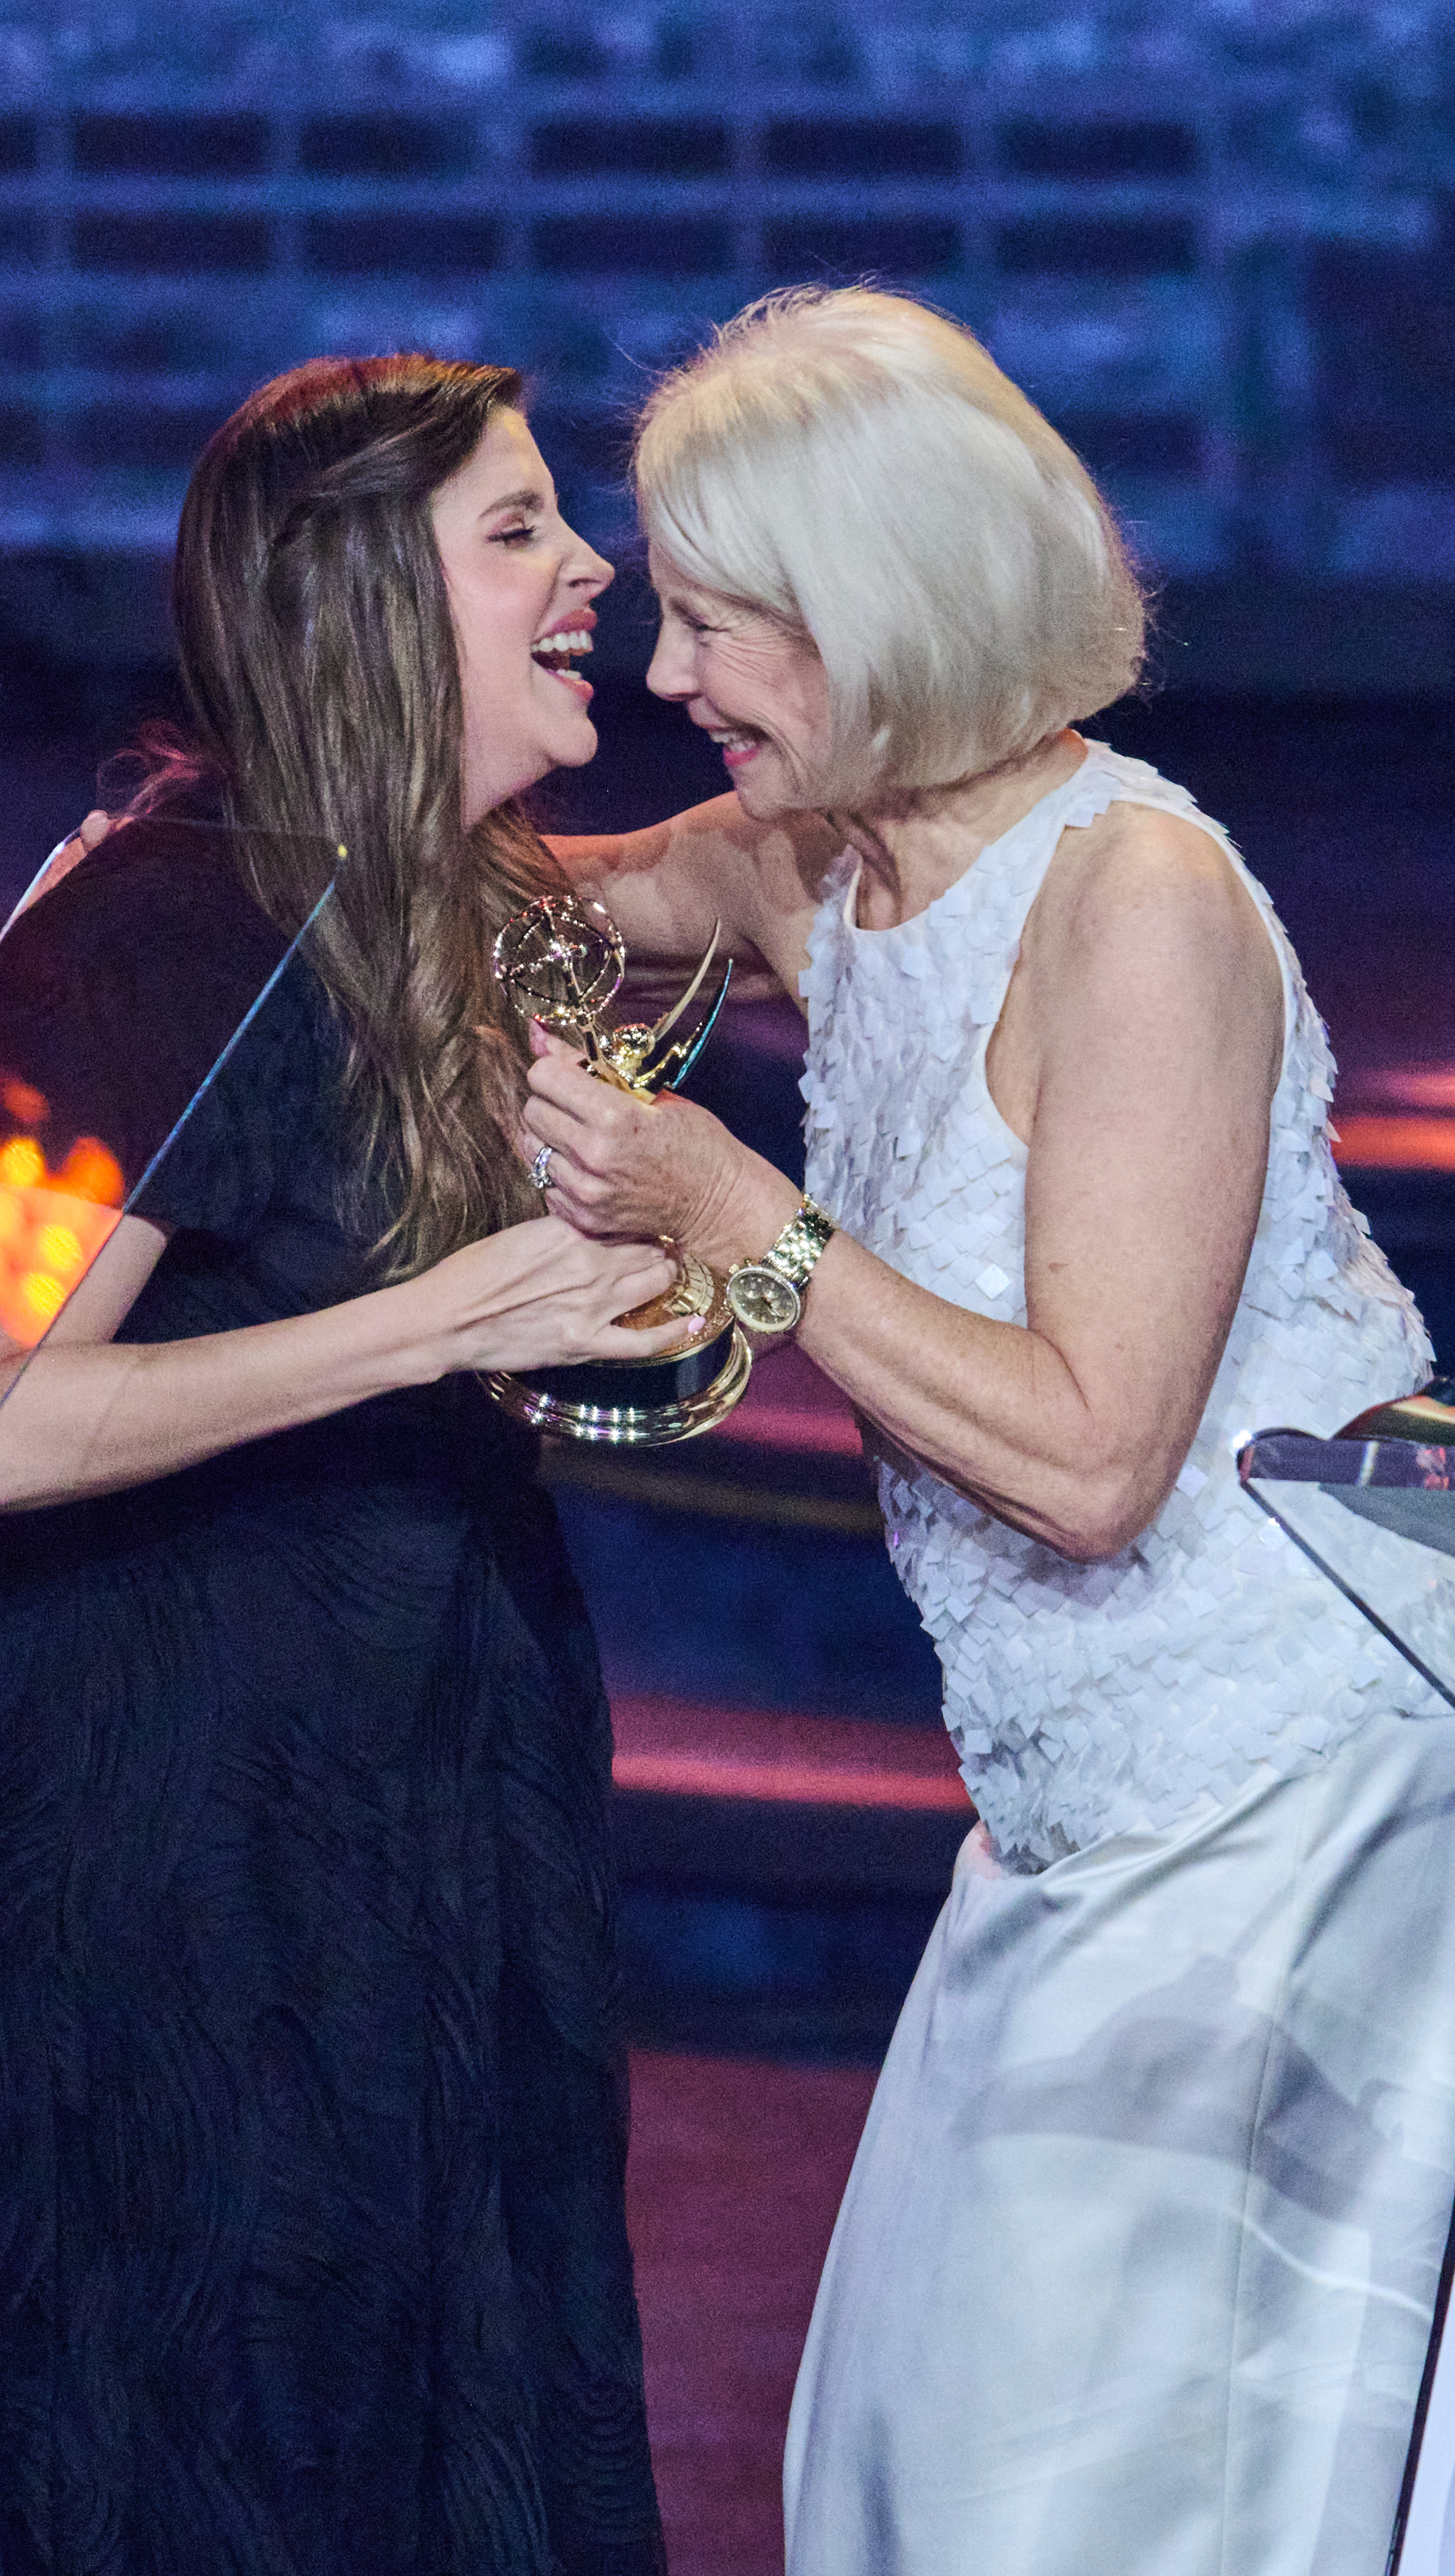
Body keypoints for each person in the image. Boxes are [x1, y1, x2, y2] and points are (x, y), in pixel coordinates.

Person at [523, 287, 1455, 2574]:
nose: (666, 678)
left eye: (719, 623)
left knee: (1081, 2500)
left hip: (1283, 1793)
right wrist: (217, 834)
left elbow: (1092, 1461)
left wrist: (740, 1219)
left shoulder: (1138, 902)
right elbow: (528, 899)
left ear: (883, 605)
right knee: (924, 2468)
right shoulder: (817, 857)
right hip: (1061, 1803)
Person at [0, 355, 678, 2574]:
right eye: (519, 531)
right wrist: (453, 1319)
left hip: (380, 1778)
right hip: (139, 1828)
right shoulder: (154, 926)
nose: (593, 569)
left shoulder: (434, 900)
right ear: (362, 598)